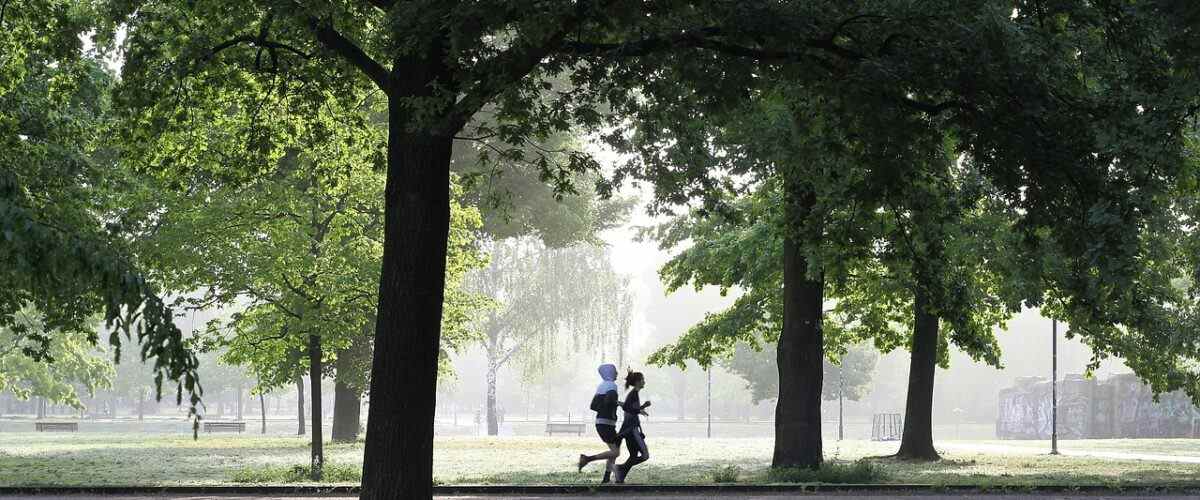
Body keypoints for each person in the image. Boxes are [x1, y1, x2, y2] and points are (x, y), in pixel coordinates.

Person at [577, 363, 622, 482]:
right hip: (606, 423)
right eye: (615, 371)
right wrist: (615, 405)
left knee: (613, 452)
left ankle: (606, 479)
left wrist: (613, 405)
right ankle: (587, 459)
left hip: (603, 422)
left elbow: (593, 406)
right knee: (615, 452)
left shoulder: (602, 386)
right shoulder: (612, 385)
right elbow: (609, 401)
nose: (617, 373)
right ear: (610, 373)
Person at [615, 370, 650, 483]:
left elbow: (629, 410)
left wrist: (640, 411)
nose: (644, 381)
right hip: (631, 430)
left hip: (631, 430)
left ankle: (620, 476)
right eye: (643, 379)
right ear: (637, 382)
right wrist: (643, 406)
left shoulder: (633, 394)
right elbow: (628, 409)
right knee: (645, 455)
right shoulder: (633, 394)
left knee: (634, 455)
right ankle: (619, 469)